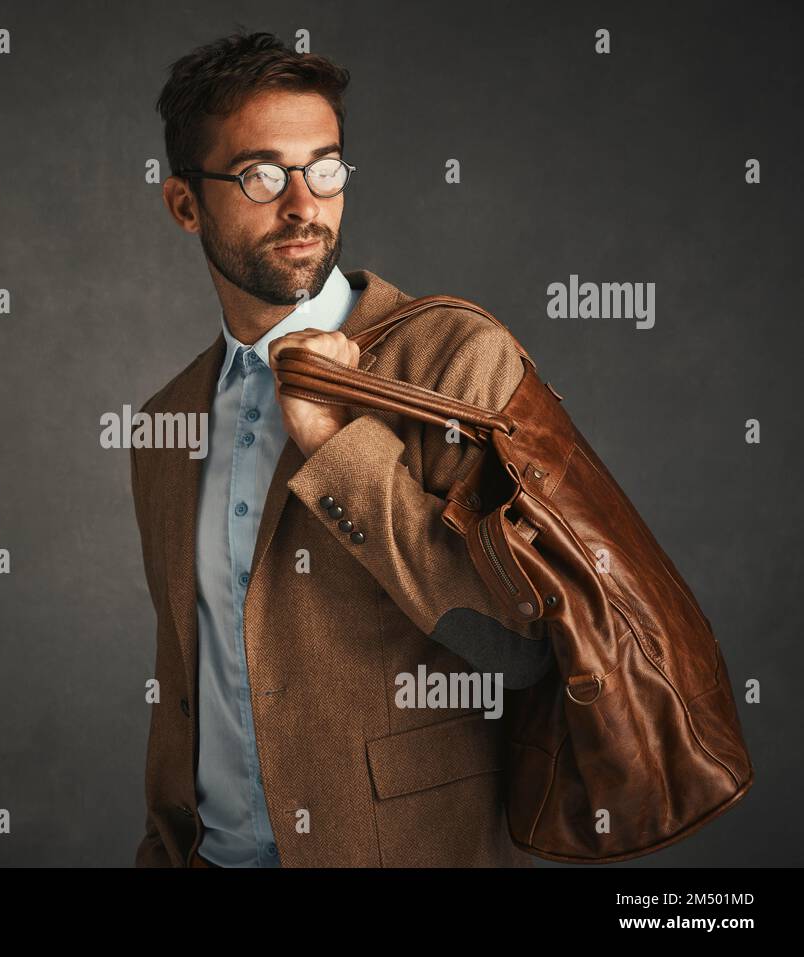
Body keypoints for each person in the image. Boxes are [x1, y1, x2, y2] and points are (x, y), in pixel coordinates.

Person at [130, 31, 552, 868]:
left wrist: (338, 443)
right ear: (184, 204)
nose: (303, 205)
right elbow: (189, 670)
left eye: (324, 169)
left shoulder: (456, 357)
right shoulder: (166, 420)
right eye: (261, 175)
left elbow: (521, 644)